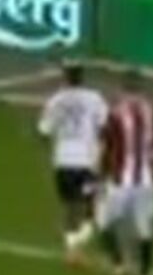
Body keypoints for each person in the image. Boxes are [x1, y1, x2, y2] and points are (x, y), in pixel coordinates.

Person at [94, 70, 153, 275]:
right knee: (145, 229)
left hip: (121, 181)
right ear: (141, 87)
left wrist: (99, 175)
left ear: (122, 88)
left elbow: (106, 147)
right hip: (147, 181)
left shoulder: (116, 114)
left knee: (103, 222)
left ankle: (118, 265)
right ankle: (145, 274)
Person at [37, 62, 109, 258]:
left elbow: (44, 131)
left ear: (65, 77)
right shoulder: (94, 98)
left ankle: (71, 248)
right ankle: (79, 243)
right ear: (82, 77)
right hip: (87, 161)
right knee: (93, 206)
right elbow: (104, 127)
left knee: (70, 207)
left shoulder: (56, 100)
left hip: (63, 162)